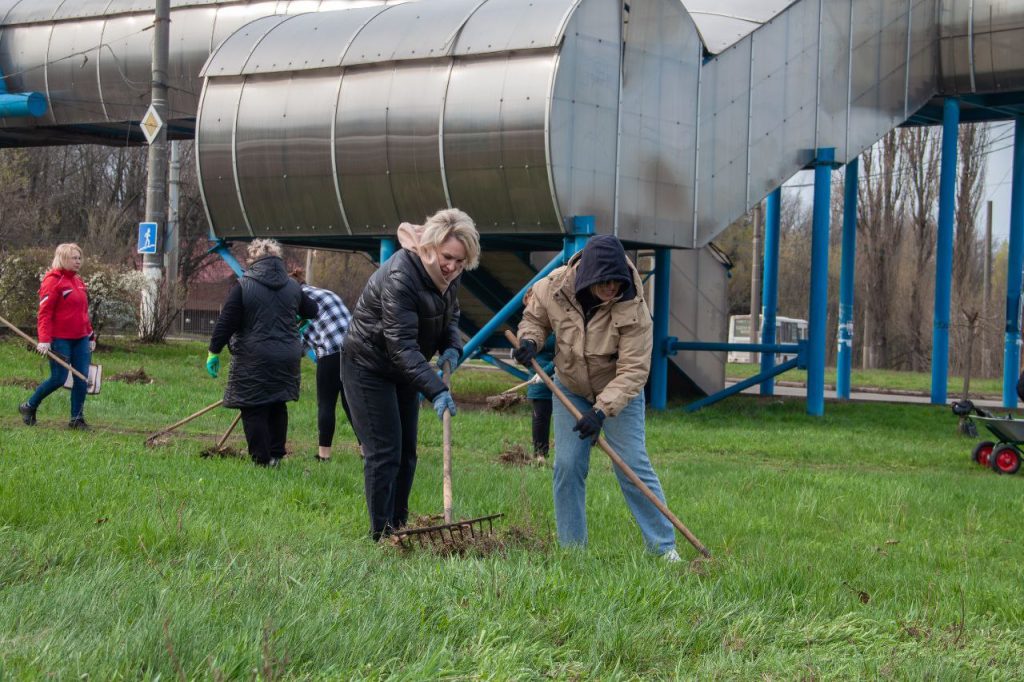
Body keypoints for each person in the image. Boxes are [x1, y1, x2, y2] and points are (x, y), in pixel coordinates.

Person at [514, 234, 680, 561]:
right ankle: (572, 550)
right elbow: (534, 319)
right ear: (588, 276)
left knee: (632, 466)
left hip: (618, 392)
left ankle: (663, 548)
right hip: (570, 387)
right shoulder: (554, 287)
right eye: (604, 282)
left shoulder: (634, 307)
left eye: (617, 282)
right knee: (567, 465)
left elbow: (634, 370)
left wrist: (601, 411)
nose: (612, 288)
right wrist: (530, 341)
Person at [343, 208, 480, 541]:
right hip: (368, 365)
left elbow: (450, 314)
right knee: (384, 451)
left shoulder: (450, 275)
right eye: (448, 258)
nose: (453, 268)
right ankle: (381, 535)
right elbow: (400, 345)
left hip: (404, 367)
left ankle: (399, 527)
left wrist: (452, 346)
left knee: (407, 453)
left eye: (460, 262)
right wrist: (436, 390)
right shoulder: (401, 275)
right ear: (431, 247)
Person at [206, 239, 317, 467]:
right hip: (287, 356)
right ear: (277, 260)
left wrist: (213, 351)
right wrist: (297, 317)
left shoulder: (244, 286)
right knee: (278, 402)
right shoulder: (293, 286)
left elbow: (226, 322)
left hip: (254, 357)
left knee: (253, 406)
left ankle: (261, 460)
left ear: (253, 259)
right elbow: (312, 310)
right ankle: (276, 455)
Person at [19, 243, 96, 429]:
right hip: (60, 339)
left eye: (79, 258)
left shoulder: (78, 281)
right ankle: (29, 406)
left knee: (82, 378)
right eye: (74, 258)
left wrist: (90, 335)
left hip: (81, 339)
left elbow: (83, 312)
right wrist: (44, 340)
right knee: (59, 378)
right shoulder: (53, 281)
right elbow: (44, 313)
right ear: (63, 259)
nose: (78, 261)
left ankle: (76, 419)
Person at [288, 268, 359, 462]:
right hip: (356, 351)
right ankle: (366, 451)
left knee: (326, 404)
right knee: (351, 403)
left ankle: (324, 455)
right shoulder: (325, 292)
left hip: (331, 352)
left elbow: (297, 345)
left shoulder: (298, 301)